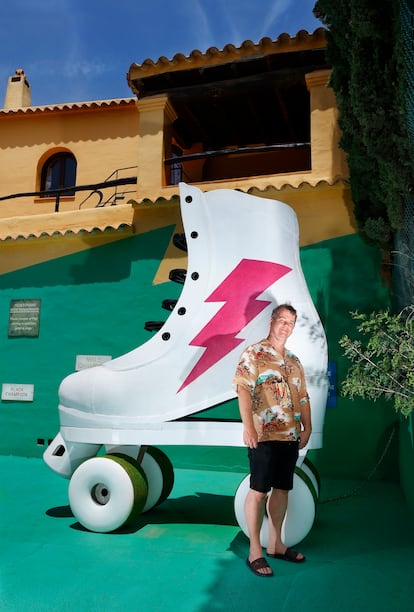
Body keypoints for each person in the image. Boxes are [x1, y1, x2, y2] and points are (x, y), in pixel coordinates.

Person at [232, 303, 311, 577]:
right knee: (258, 491)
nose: (286, 326)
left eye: (291, 322)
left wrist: (307, 426)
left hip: (290, 435)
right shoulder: (254, 353)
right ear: (272, 321)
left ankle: (276, 544)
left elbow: (303, 397)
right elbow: (242, 389)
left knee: (282, 490)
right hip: (263, 435)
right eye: (282, 320)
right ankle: (255, 550)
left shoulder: (293, 360)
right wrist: (248, 428)